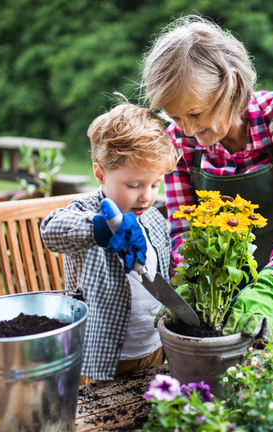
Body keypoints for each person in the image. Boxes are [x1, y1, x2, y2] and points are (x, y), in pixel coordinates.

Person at [140, 15, 273, 342]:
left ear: (230, 86)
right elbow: (184, 226)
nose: (185, 129)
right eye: (175, 117)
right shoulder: (180, 141)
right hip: (220, 308)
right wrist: (188, 280)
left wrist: (269, 287)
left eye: (195, 113)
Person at [40, 96, 179, 383]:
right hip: (102, 357)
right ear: (100, 174)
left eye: (155, 184)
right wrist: (102, 228)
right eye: (134, 184)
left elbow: (161, 273)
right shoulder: (87, 212)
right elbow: (51, 230)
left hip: (154, 347)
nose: (147, 196)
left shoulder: (152, 217)